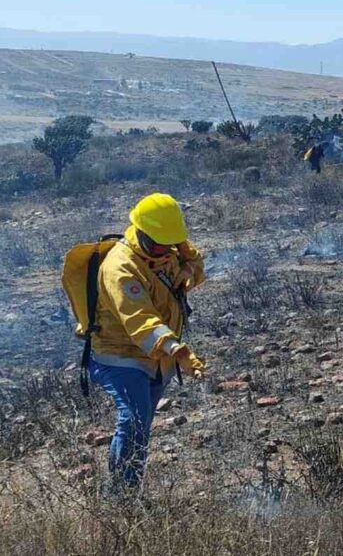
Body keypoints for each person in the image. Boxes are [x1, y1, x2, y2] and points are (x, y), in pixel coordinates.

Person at [88, 193, 207, 489]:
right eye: (159, 245)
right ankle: (122, 496)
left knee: (140, 425)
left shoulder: (163, 251)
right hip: (121, 355)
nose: (165, 252)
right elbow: (140, 320)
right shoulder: (121, 268)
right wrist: (177, 349)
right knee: (134, 419)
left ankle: (124, 485)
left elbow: (196, 265)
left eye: (172, 245)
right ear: (141, 232)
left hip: (156, 357)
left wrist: (188, 265)